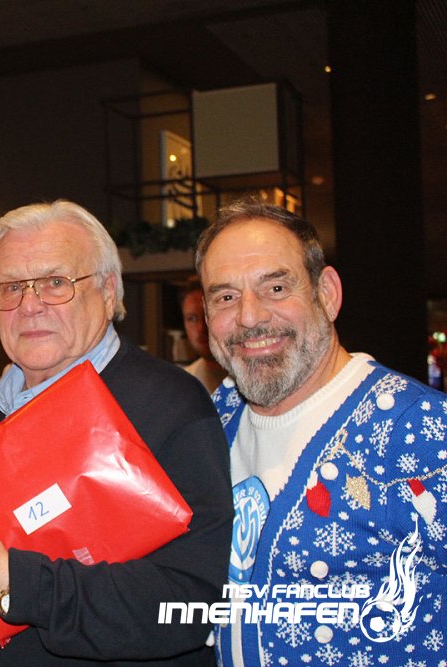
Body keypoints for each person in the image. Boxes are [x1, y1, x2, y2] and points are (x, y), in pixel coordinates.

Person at [0, 200, 233, 665]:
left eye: (55, 283)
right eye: (11, 287)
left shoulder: (171, 406)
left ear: (108, 292)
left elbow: (192, 606)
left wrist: (14, 585)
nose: (29, 306)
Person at [194, 200, 447, 666]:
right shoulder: (214, 419)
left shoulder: (419, 429)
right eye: (225, 297)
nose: (249, 316)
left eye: (275, 287)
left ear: (326, 293)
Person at [180, 277, 228, 392]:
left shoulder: (254, 375)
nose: (201, 328)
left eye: (208, 316)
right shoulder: (182, 383)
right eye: (192, 319)